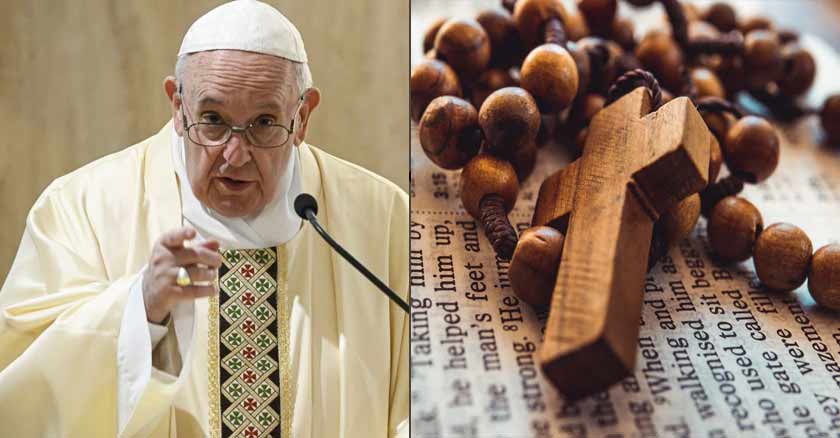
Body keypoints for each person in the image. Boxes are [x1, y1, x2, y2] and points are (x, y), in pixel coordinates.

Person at [0, 1, 408, 437]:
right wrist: (138, 309)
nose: (235, 155)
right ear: (177, 106)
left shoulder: (382, 219)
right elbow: (21, 385)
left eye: (265, 123)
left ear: (302, 115)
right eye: (212, 120)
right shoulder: (81, 207)